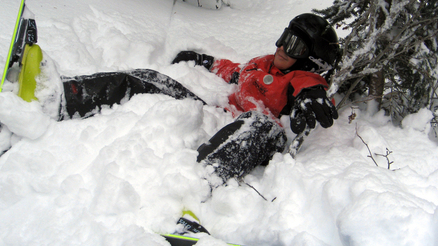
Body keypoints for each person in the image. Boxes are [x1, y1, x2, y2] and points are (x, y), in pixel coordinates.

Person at [57, 13, 340, 185]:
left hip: (256, 137)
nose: (282, 47)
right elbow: (236, 73)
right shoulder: (264, 63)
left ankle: (197, 185)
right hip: (218, 121)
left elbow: (311, 88)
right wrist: (206, 61)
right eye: (285, 37)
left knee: (259, 123)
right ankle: (62, 97)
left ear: (311, 61)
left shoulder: (301, 81)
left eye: (295, 45)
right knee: (149, 78)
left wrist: (311, 94)